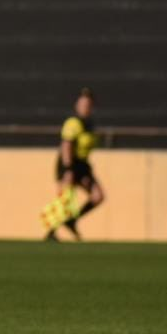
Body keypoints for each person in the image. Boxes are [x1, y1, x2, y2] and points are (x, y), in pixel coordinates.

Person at [44, 88, 104, 241]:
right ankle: (51, 230)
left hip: (82, 165)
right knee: (66, 198)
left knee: (97, 196)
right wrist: (69, 169)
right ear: (77, 106)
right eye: (83, 105)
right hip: (69, 164)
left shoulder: (89, 125)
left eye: (88, 105)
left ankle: (72, 221)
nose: (86, 108)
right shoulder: (73, 123)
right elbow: (66, 146)